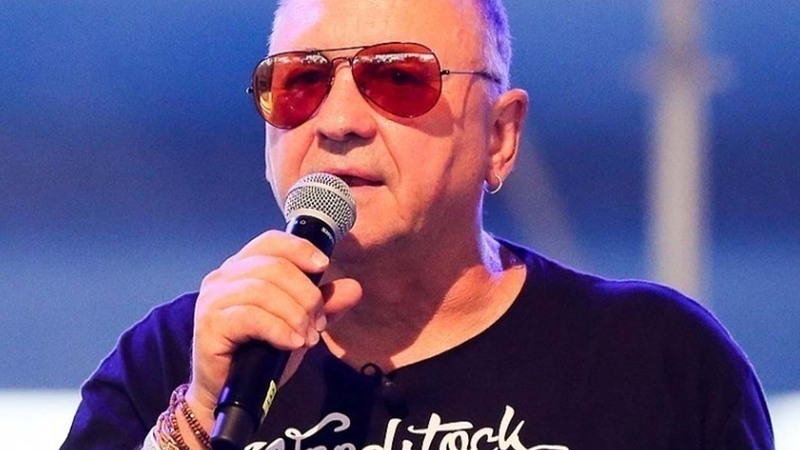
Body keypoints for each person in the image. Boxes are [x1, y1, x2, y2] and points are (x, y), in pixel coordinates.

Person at [62, 0, 774, 449]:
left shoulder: (652, 360)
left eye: (398, 78)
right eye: (301, 82)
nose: (339, 121)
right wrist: (201, 414)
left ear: (500, 137)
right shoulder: (173, 356)